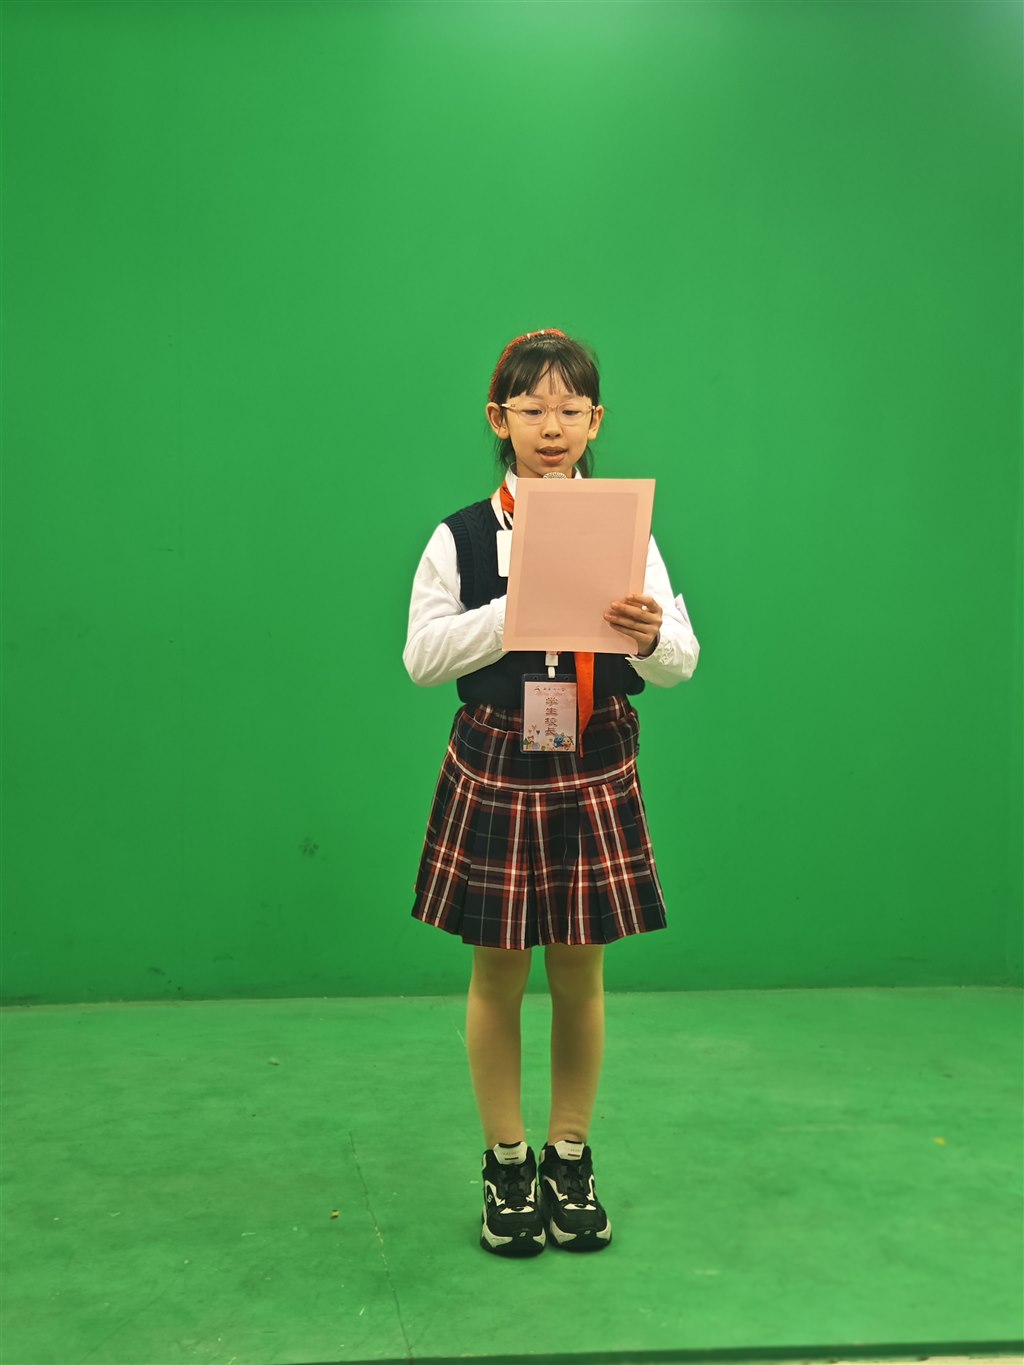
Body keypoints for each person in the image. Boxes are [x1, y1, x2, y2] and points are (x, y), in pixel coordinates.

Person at [403, 328, 700, 1257]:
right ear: (500, 419)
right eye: (532, 409)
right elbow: (422, 658)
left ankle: (569, 1157)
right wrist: (514, 611)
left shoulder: (629, 534)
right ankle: (506, 1161)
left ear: (596, 420)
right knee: (498, 969)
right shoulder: (459, 536)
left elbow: (683, 660)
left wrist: (649, 636)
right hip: (498, 758)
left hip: (595, 756)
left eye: (571, 409)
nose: (552, 426)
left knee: (580, 967)